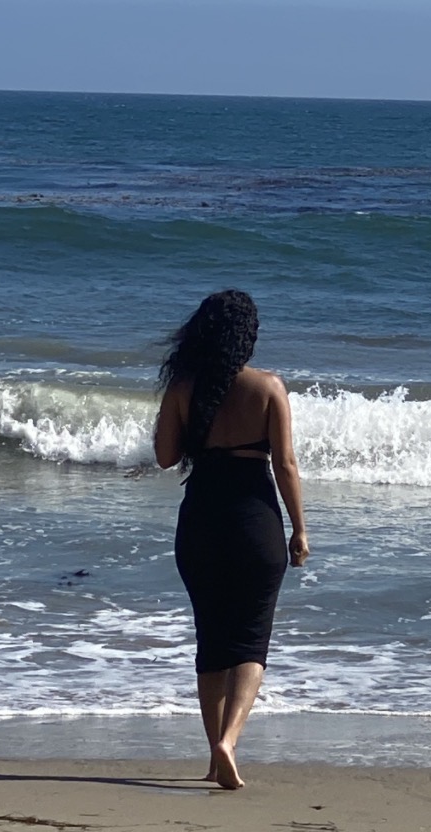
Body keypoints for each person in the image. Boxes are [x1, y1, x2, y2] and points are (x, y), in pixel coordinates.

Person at [154, 288, 309, 789]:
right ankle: (229, 742)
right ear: (248, 336)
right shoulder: (268, 387)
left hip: (200, 520)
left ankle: (211, 754)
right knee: (250, 641)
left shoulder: (183, 387)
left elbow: (164, 457)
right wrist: (300, 529)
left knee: (211, 640)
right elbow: (285, 465)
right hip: (254, 522)